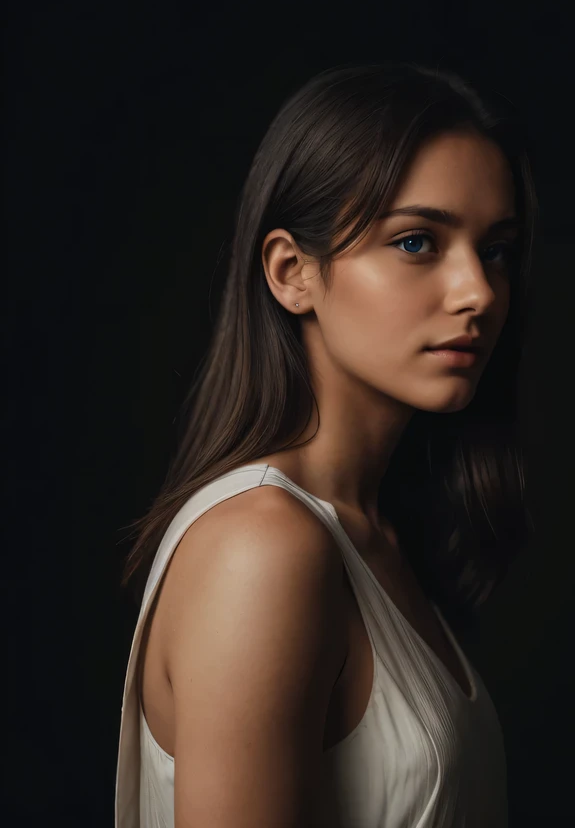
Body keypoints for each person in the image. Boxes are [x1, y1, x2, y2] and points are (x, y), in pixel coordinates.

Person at [115, 60, 538, 827]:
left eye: (497, 250)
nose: (478, 291)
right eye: (417, 242)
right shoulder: (262, 548)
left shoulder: (376, 539)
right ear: (291, 273)